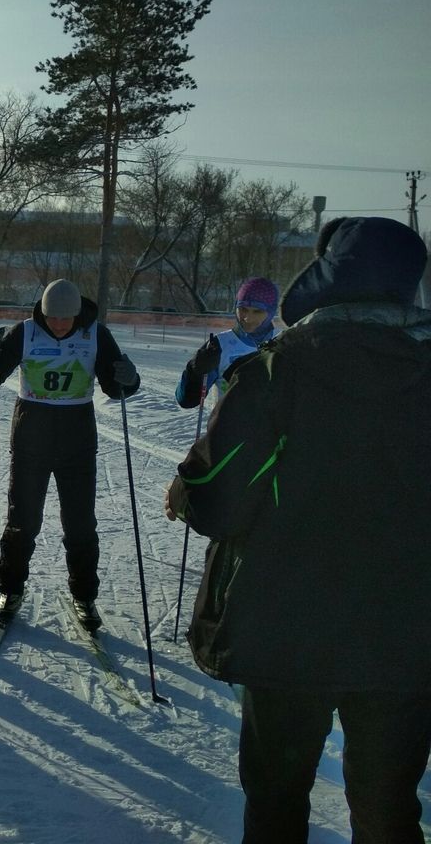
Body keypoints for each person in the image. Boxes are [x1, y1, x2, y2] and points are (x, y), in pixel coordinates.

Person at [165, 216, 431, 844]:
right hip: (406, 638)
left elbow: (218, 499)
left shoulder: (275, 374)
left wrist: (188, 487)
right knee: (389, 811)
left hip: (287, 630)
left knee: (278, 804)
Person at [0, 278, 140, 630]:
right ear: (43, 312)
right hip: (31, 436)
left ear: (78, 314)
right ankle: (11, 589)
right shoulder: (26, 332)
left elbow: (115, 387)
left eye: (67, 319)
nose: (60, 325)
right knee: (23, 521)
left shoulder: (96, 334)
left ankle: (84, 596)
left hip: (76, 439)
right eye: (53, 319)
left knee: (80, 524)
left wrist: (130, 378)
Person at [176, 276, 279, 409]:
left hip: (271, 428)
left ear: (271, 312)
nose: (248, 318)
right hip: (226, 427)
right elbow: (187, 401)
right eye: (243, 309)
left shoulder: (284, 343)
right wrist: (195, 373)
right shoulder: (219, 345)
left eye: (257, 311)